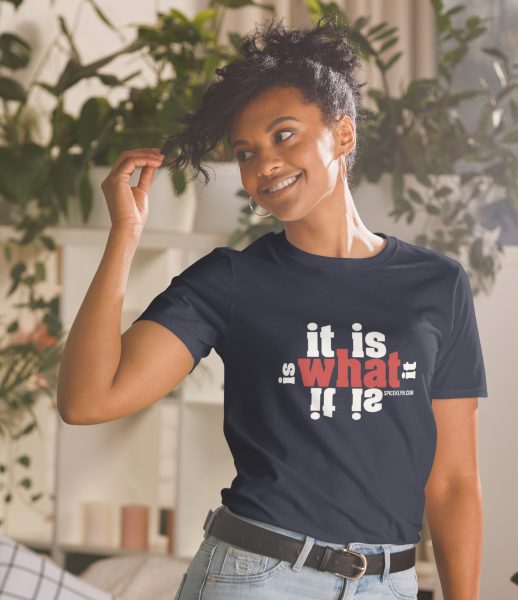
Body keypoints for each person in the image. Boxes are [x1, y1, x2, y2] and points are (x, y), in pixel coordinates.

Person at [57, 15, 488, 600]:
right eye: (245, 153)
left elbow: (455, 480)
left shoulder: (438, 284)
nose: (263, 166)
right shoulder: (230, 281)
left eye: (284, 135)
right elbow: (87, 400)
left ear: (342, 134)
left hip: (390, 584)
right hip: (258, 577)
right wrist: (125, 235)